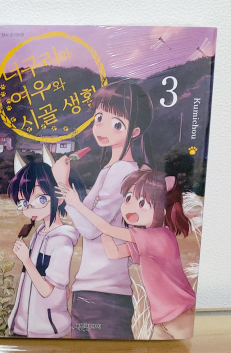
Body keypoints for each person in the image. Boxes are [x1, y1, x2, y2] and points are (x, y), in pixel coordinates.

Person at [58, 81, 154, 339]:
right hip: (92, 288)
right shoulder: (110, 170)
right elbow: (84, 218)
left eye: (117, 124)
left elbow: (90, 229)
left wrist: (64, 187)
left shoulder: (122, 171)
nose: (101, 127)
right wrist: (67, 192)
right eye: (99, 117)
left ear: (134, 132)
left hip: (105, 292)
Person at [58, 169, 196, 339]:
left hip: (180, 314)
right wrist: (104, 223)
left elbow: (107, 228)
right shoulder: (146, 240)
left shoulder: (160, 236)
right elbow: (114, 252)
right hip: (161, 319)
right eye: (129, 198)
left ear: (164, 210)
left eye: (142, 203)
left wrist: (77, 204)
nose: (130, 206)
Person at [7, 158, 78, 338]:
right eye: (24, 203)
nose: (30, 208)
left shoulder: (62, 241)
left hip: (47, 330)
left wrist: (26, 260)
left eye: (41, 199)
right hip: (23, 326)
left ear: (58, 198)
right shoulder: (39, 232)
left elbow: (47, 291)